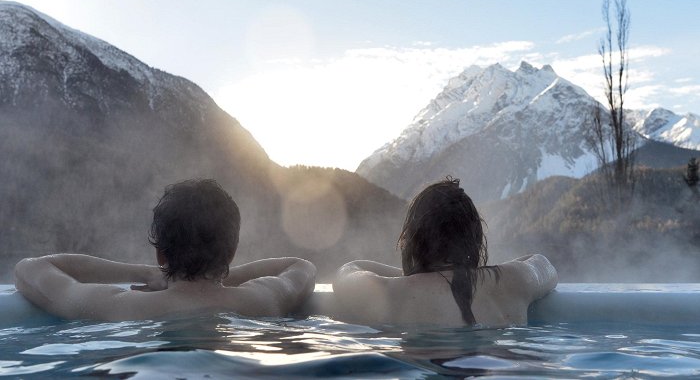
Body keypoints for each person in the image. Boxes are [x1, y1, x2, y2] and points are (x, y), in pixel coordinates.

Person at [14, 179, 317, 321]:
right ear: (232, 251)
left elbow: (29, 269)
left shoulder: (119, 308)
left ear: (161, 254)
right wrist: (218, 273)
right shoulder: (263, 299)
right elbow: (300, 266)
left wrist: (151, 273)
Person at [333, 177, 557, 327]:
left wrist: (408, 275)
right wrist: (484, 270)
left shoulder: (389, 292)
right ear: (475, 239)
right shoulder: (513, 281)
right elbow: (543, 264)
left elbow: (347, 271)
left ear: (412, 240)